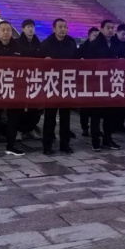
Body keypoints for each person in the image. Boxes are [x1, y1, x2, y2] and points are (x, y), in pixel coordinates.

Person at [0, 21, 25, 158]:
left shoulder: (18, 47)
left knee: (13, 118)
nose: (6, 32)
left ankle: (11, 146)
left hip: (14, 88)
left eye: (8, 30)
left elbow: (26, 66)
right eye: (3, 30)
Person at [40, 18, 79, 155]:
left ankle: (65, 145)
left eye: (65, 27)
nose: (63, 29)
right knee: (50, 117)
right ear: (54, 29)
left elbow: (77, 60)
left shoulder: (71, 42)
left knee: (66, 117)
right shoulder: (46, 44)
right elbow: (38, 61)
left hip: (67, 83)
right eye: (60, 27)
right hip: (51, 83)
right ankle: (47, 145)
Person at [87, 20, 122, 151]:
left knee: (109, 114)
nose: (111, 30)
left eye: (112, 28)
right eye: (108, 28)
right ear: (101, 29)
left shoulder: (115, 43)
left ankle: (108, 139)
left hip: (110, 82)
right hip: (97, 83)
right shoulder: (95, 44)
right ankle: (95, 141)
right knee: (96, 114)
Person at [17, 19, 43, 141]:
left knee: (34, 106)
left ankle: (30, 128)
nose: (30, 29)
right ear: (23, 29)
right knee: (19, 106)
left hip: (35, 79)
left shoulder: (39, 44)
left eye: (32, 26)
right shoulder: (17, 43)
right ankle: (19, 129)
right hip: (20, 79)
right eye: (28, 27)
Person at [77, 27, 99, 137]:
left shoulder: (101, 47)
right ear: (89, 36)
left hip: (97, 80)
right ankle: (85, 127)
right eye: (94, 36)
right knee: (85, 106)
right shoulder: (82, 48)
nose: (96, 38)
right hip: (85, 80)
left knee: (96, 107)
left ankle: (96, 128)